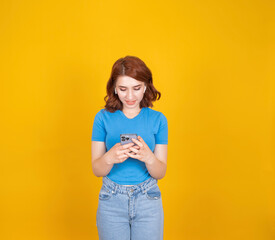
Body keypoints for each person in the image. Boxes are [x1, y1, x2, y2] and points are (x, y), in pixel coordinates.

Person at [91, 55, 168, 240]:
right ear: (114, 89)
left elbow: (161, 172)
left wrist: (148, 157)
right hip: (111, 199)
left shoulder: (159, 120)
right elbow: (96, 169)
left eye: (137, 88)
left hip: (148, 199)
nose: (130, 96)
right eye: (123, 89)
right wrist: (110, 157)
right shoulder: (102, 118)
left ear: (146, 87)